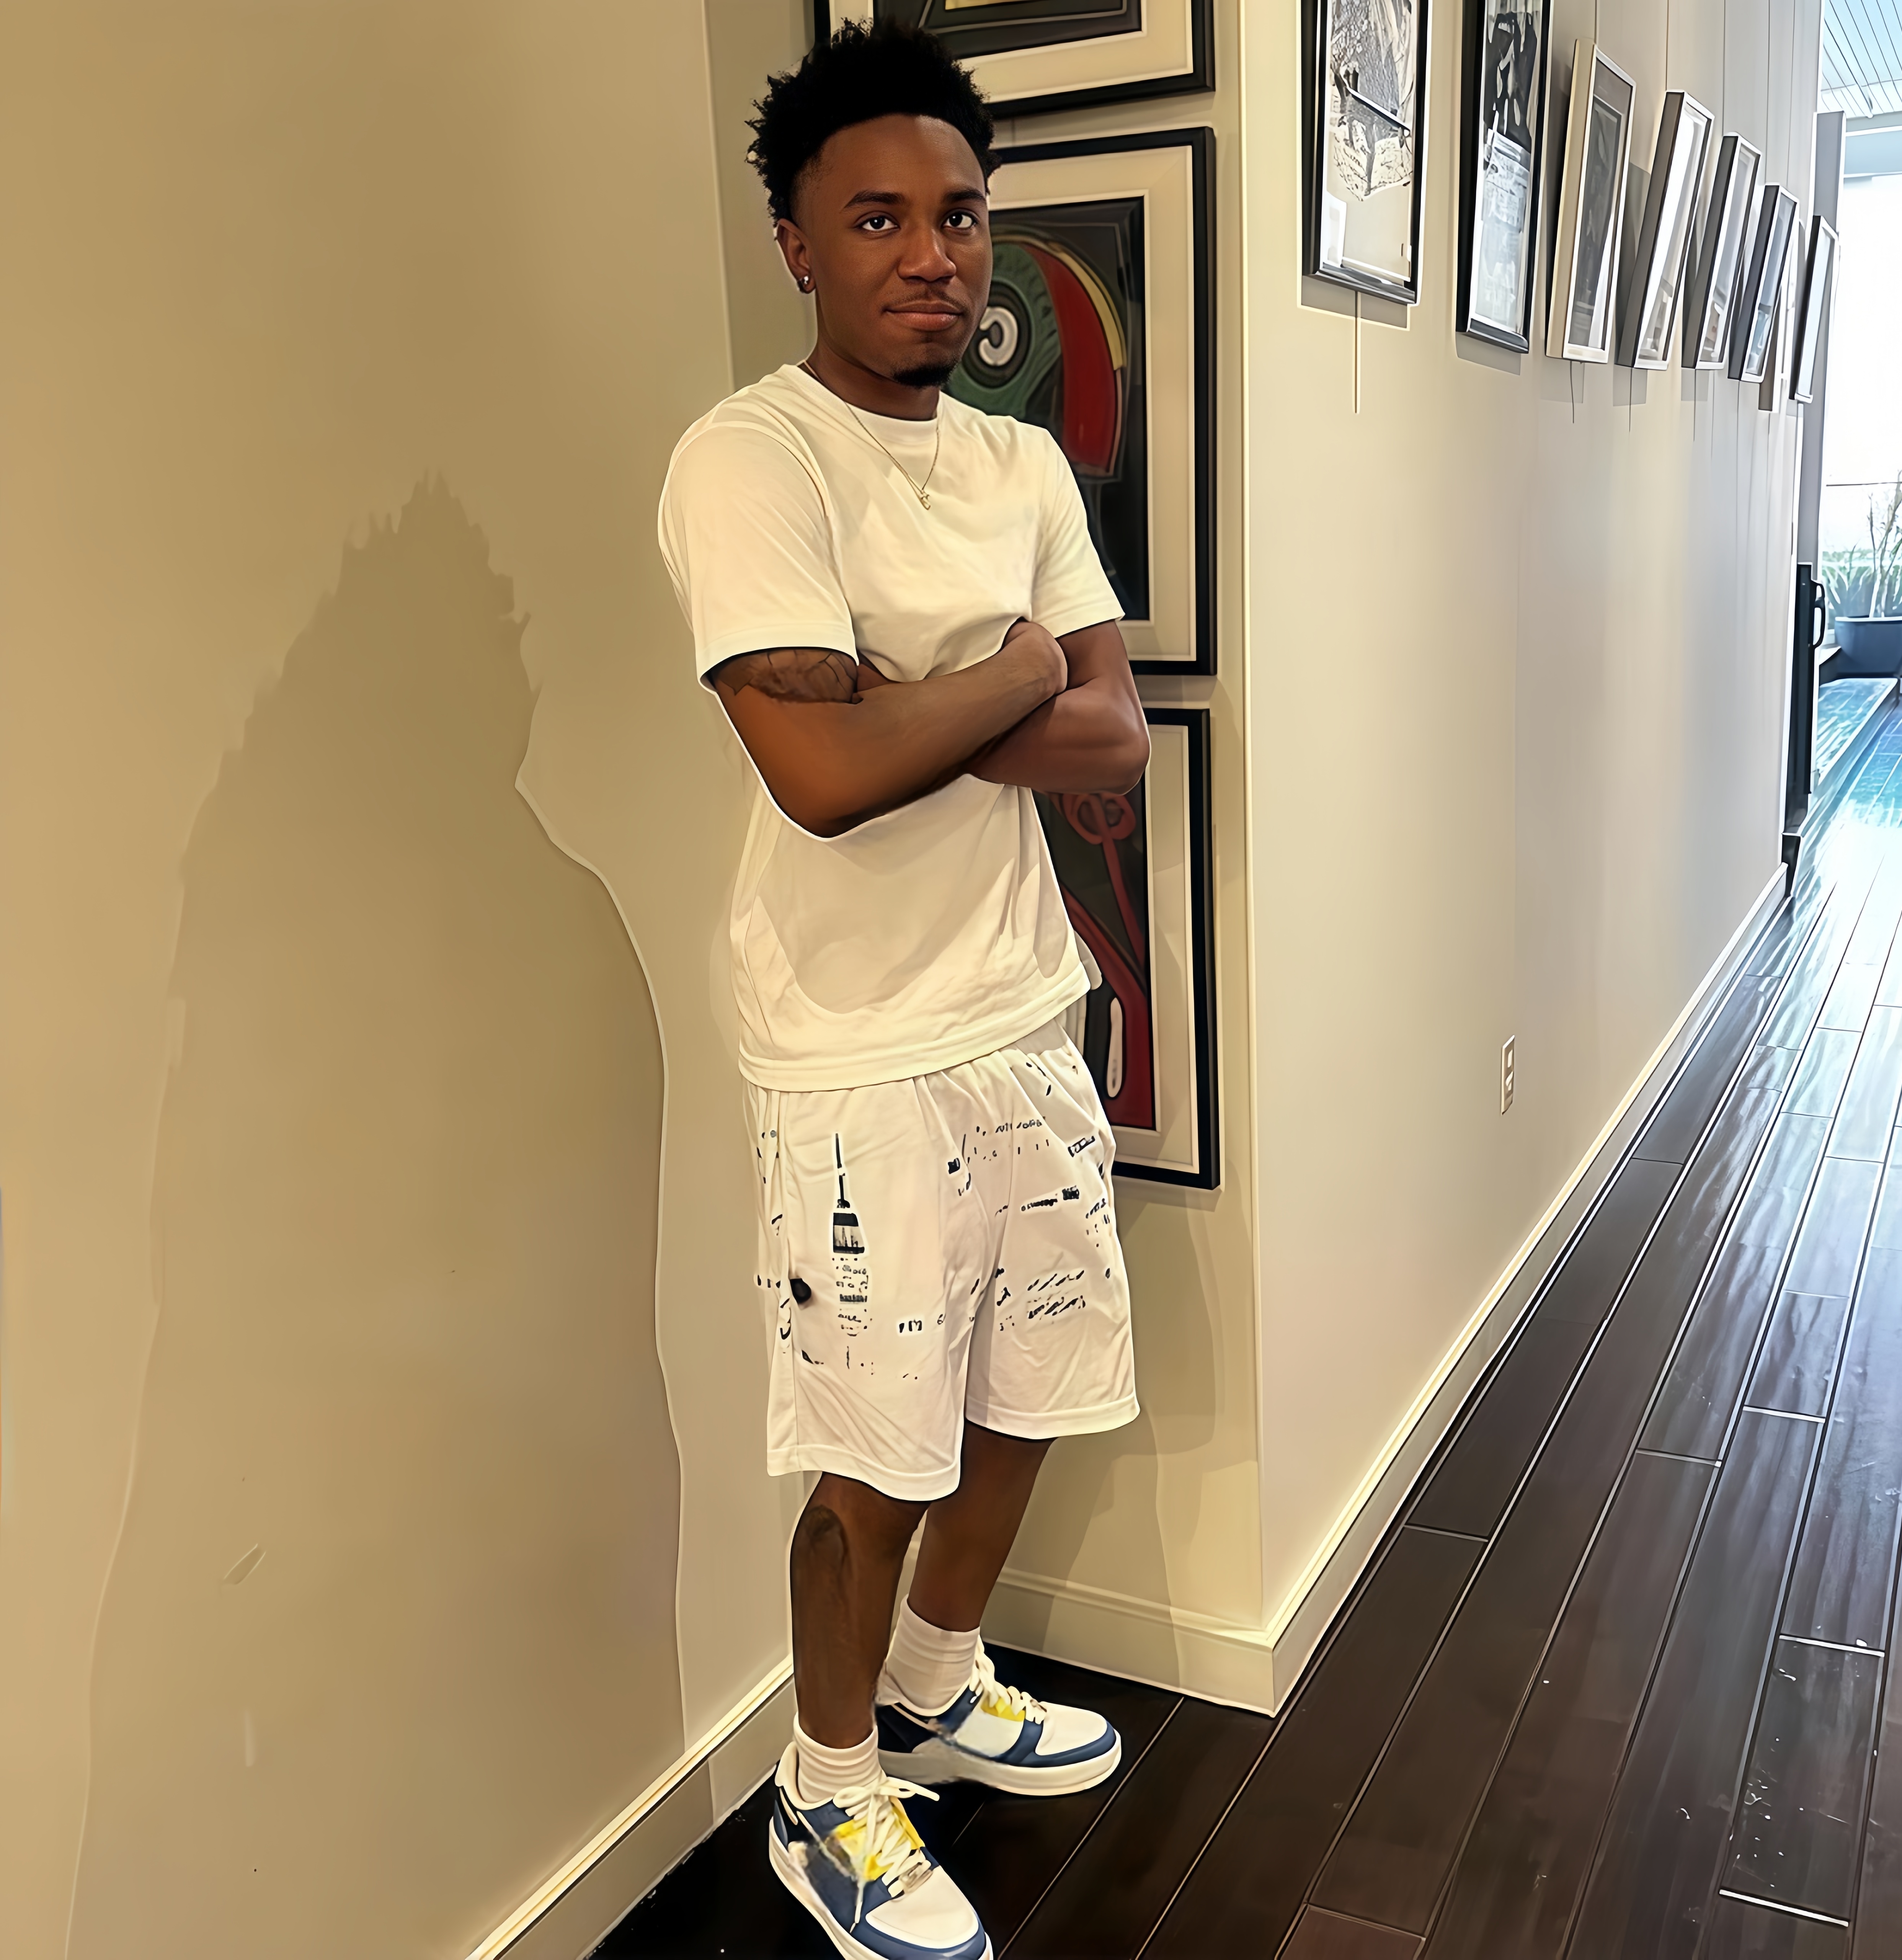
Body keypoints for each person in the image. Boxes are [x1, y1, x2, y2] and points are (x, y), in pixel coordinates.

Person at [658, 20, 1149, 1960]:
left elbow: (1115, 740)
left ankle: (938, 1683)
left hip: (1021, 1006)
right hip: (853, 1047)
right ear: (796, 243)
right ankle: (827, 1782)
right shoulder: (750, 459)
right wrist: (1016, 668)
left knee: (1029, 1396)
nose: (930, 253)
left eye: (957, 213)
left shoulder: (1017, 459)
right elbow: (818, 775)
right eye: (875, 218)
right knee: (869, 1455)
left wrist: (909, 696)